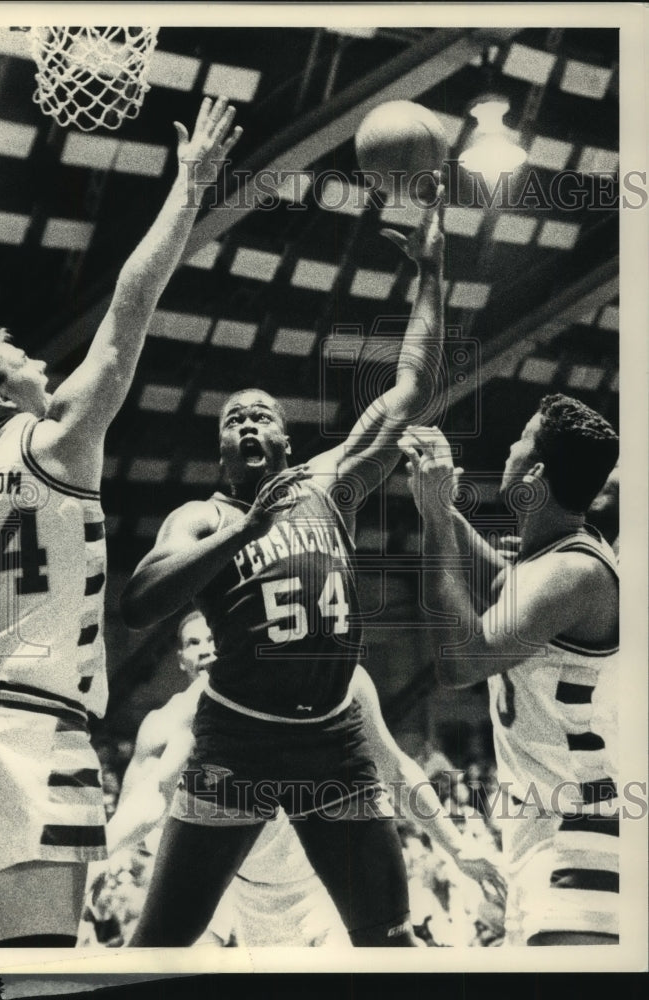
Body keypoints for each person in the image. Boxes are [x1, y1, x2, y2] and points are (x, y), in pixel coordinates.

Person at [0, 97, 242, 948]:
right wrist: (190, 187)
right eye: (22, 361)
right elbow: (129, 307)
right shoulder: (57, 442)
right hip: (27, 732)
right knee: (39, 975)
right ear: (3, 398)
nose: (41, 362)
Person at [120, 184, 454, 947]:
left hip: (333, 744)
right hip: (237, 745)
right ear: (220, 449)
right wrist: (243, 533)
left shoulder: (329, 483)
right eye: (232, 417)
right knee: (160, 944)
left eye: (261, 414)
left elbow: (410, 389)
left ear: (284, 440)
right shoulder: (204, 517)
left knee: (388, 938)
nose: (247, 421)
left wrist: (432, 273)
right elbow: (138, 604)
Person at [103, 615, 504, 947]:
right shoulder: (191, 710)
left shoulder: (341, 678)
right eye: (195, 642)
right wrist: (93, 851)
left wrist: (457, 846)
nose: (208, 650)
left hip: (323, 887)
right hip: (246, 892)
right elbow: (151, 799)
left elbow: (396, 769)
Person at [397, 394, 619, 946]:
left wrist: (436, 518)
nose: (509, 449)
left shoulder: (572, 572)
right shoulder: (554, 561)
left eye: (521, 440)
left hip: (581, 846)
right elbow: (500, 584)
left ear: (535, 475)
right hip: (545, 841)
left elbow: (459, 662)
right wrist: (438, 503)